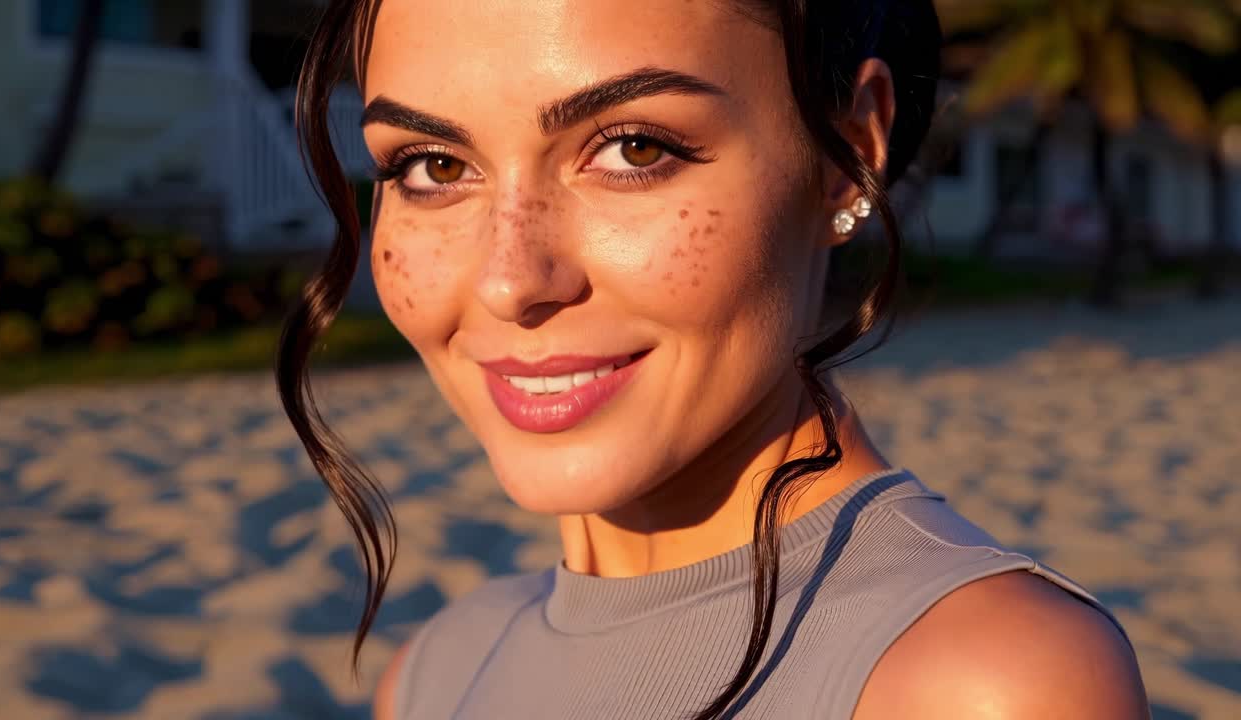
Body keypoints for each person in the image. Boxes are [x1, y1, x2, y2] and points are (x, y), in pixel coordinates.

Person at [276, 1, 1152, 717]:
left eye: (634, 149)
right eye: (433, 167)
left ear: (849, 154)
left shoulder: (980, 683)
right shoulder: (433, 675)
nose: (510, 281)